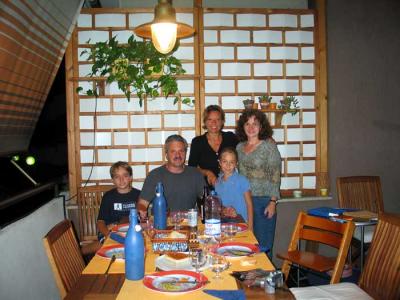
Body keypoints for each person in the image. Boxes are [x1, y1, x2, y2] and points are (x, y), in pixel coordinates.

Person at [235, 109, 281, 255]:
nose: (251, 127)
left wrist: (273, 202)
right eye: (247, 124)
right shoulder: (239, 148)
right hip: (244, 200)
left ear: (261, 127)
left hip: (264, 201)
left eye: (255, 124)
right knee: (246, 244)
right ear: (242, 127)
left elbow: (275, 175)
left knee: (263, 246)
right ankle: (250, 277)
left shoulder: (269, 147)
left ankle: (265, 276)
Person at [138, 135, 205, 216]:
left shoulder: (195, 174)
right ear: (166, 154)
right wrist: (141, 211)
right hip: (161, 223)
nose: (178, 155)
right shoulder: (154, 175)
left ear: (185, 153)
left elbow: (206, 200)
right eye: (173, 151)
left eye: (181, 151)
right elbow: (142, 203)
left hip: (188, 223)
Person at [188, 105, 238, 186]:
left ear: (222, 121)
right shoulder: (197, 142)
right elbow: (191, 168)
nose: (214, 123)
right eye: (210, 119)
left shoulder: (231, 137)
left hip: (231, 187)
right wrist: (207, 172)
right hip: (207, 188)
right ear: (205, 122)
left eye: (217, 119)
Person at [97, 161, 141, 240]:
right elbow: (100, 222)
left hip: (133, 232)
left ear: (130, 178)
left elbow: (143, 218)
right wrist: (108, 234)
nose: (121, 180)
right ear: (113, 180)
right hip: (110, 231)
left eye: (125, 175)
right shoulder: (108, 196)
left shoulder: (139, 195)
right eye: (117, 177)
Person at [215, 147, 253, 231]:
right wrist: (224, 211)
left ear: (236, 164)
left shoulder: (242, 180)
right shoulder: (217, 182)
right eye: (225, 161)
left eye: (231, 162)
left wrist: (250, 227)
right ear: (220, 162)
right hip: (224, 222)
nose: (228, 165)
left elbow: (249, 204)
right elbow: (219, 205)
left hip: (241, 222)